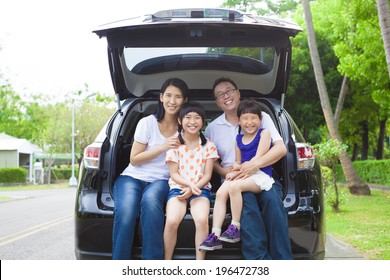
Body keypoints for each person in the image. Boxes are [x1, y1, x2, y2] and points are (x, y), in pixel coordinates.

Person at [204, 77, 292, 259]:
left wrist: (255, 165)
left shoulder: (262, 117)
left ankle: (283, 262)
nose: (226, 96)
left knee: (273, 203)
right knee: (248, 207)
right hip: (233, 179)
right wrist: (223, 171)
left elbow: (281, 148)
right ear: (217, 102)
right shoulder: (212, 128)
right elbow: (209, 159)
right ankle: (259, 261)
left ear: (238, 93)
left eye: (229, 91)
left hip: (263, 173)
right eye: (220, 95)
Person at [111, 78, 189, 260]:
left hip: (161, 180)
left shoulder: (186, 129)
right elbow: (134, 159)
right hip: (132, 177)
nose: (172, 101)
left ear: (184, 100)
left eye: (178, 97)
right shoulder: (147, 123)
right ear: (161, 97)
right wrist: (162, 147)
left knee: (151, 204)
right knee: (126, 212)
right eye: (168, 95)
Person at [199, 100, 275, 250]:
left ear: (260, 119)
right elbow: (238, 161)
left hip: (259, 175)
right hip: (243, 173)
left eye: (254, 118)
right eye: (245, 118)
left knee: (234, 187)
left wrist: (236, 174)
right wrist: (234, 168)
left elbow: (256, 161)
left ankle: (235, 227)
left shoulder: (264, 134)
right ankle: (215, 235)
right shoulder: (238, 139)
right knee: (221, 192)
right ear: (238, 121)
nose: (250, 122)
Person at [164, 101, 219, 260]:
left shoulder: (209, 145)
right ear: (180, 121)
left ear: (203, 122)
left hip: (201, 189)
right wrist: (189, 186)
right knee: (172, 220)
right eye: (188, 117)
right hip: (178, 188)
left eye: (197, 118)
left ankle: (199, 264)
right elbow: (174, 174)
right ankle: (166, 261)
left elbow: (208, 175)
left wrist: (194, 188)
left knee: (202, 220)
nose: (193, 122)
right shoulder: (174, 143)